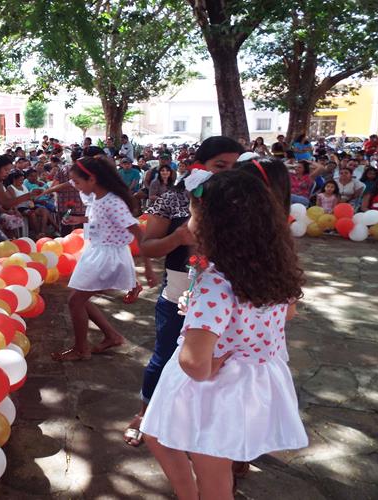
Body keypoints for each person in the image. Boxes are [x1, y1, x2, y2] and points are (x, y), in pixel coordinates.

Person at [140, 169, 307, 499]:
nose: (188, 222)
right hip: (253, 380)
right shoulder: (274, 267)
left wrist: (208, 364)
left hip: (214, 386)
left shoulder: (216, 283)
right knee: (158, 434)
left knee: (213, 476)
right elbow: (287, 312)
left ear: (212, 225)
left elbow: (194, 361)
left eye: (192, 215)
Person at [122, 136, 244, 447]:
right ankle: (145, 415)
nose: (227, 173)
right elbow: (147, 248)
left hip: (231, 299)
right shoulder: (173, 199)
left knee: (225, 366)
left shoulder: (244, 202)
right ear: (199, 166)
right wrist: (178, 238)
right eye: (220, 165)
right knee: (165, 357)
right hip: (179, 294)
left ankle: (219, 432)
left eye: (234, 166)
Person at [51, 156, 152, 361]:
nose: (76, 187)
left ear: (92, 179)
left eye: (78, 182)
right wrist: (80, 219)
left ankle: (81, 349)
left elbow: (138, 232)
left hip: (108, 256)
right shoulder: (98, 197)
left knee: (75, 301)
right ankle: (111, 336)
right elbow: (100, 218)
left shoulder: (112, 202)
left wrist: (148, 267)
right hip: (97, 251)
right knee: (79, 298)